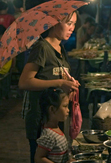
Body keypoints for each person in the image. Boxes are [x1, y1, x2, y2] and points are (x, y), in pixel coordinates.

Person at [18, 11, 79, 163]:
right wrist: (59, 83)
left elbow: (54, 79)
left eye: (74, 24)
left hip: (55, 121)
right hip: (41, 121)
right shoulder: (42, 47)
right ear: (54, 22)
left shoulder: (60, 50)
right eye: (69, 23)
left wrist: (68, 85)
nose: (72, 28)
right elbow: (25, 82)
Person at [35, 88, 69, 163]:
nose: (68, 110)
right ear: (52, 109)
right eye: (65, 106)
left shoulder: (56, 128)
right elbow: (39, 158)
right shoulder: (49, 135)